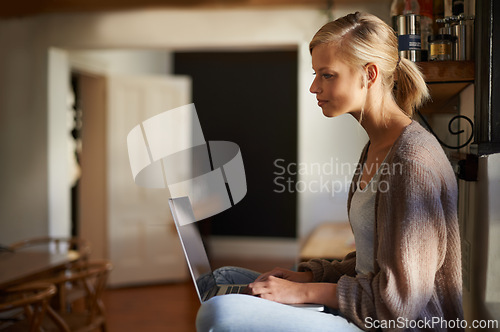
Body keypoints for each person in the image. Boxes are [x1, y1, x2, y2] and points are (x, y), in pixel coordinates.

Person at [196, 11, 463, 331]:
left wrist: (303, 291)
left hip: (394, 324)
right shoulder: (377, 146)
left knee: (221, 312)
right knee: (220, 279)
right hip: (365, 309)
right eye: (315, 74)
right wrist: (309, 276)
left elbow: (398, 305)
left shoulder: (412, 161)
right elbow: (373, 263)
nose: (313, 87)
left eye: (327, 75)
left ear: (369, 74)